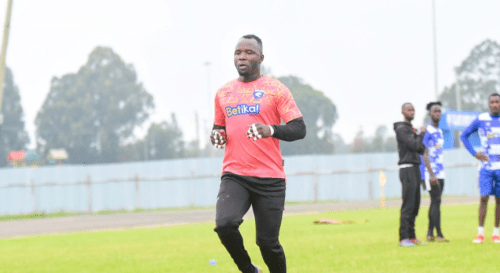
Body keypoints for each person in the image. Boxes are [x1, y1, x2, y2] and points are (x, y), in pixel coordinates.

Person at [211, 34, 306, 273]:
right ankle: (249, 269)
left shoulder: (275, 90)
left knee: (267, 244)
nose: (242, 56)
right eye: (238, 52)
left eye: (249, 52)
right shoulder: (224, 93)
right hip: (235, 174)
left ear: (261, 58)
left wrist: (270, 129)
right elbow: (218, 127)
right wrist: (217, 134)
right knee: (225, 225)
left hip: (270, 178)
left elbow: (299, 128)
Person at [460, 93, 500, 244]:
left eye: (497, 102)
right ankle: (480, 234)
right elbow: (464, 136)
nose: (495, 104)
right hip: (485, 167)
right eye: (492, 102)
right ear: (489, 104)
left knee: (499, 200)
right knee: (484, 198)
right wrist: (475, 153)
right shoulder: (482, 119)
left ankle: (496, 233)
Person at [394, 103, 427, 247]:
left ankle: (412, 236)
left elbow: (420, 148)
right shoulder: (402, 129)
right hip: (407, 168)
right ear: (402, 111)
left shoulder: (411, 130)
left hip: (415, 168)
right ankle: (403, 238)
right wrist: (421, 134)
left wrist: (419, 136)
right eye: (408, 109)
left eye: (413, 109)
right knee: (408, 203)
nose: (411, 111)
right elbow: (415, 145)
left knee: (415, 203)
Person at [420, 102, 449, 242]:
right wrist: (431, 174)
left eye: (439, 111)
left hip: (440, 171)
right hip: (430, 172)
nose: (438, 113)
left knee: (435, 202)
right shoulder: (427, 131)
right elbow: (424, 154)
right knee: (436, 200)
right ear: (430, 114)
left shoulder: (440, 131)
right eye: (435, 111)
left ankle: (430, 233)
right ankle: (439, 234)